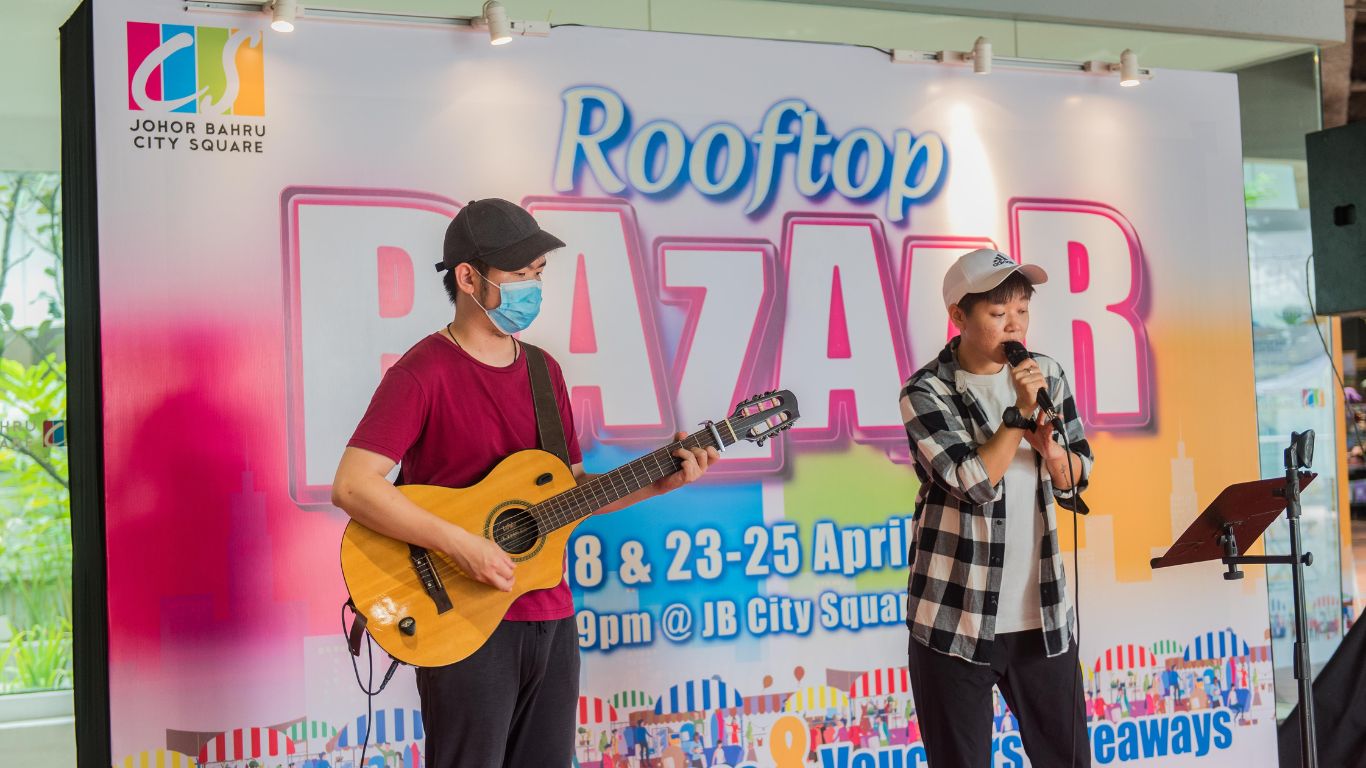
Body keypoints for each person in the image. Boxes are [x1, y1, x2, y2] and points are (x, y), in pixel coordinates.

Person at [332, 198, 718, 768]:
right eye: (519, 275)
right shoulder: (422, 372)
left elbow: (571, 489)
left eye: (538, 274)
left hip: (551, 617)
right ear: (467, 277)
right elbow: (354, 486)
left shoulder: (544, 371)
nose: (532, 289)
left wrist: (657, 484)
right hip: (460, 620)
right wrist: (463, 545)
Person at [899, 248, 1095, 766]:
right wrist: (1017, 417)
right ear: (958, 316)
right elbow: (972, 480)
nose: (1015, 325)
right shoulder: (926, 391)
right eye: (998, 312)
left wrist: (1053, 451)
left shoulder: (1046, 372)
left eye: (1022, 311)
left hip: (1043, 616)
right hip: (953, 620)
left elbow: (1079, 474)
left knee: (1069, 758)